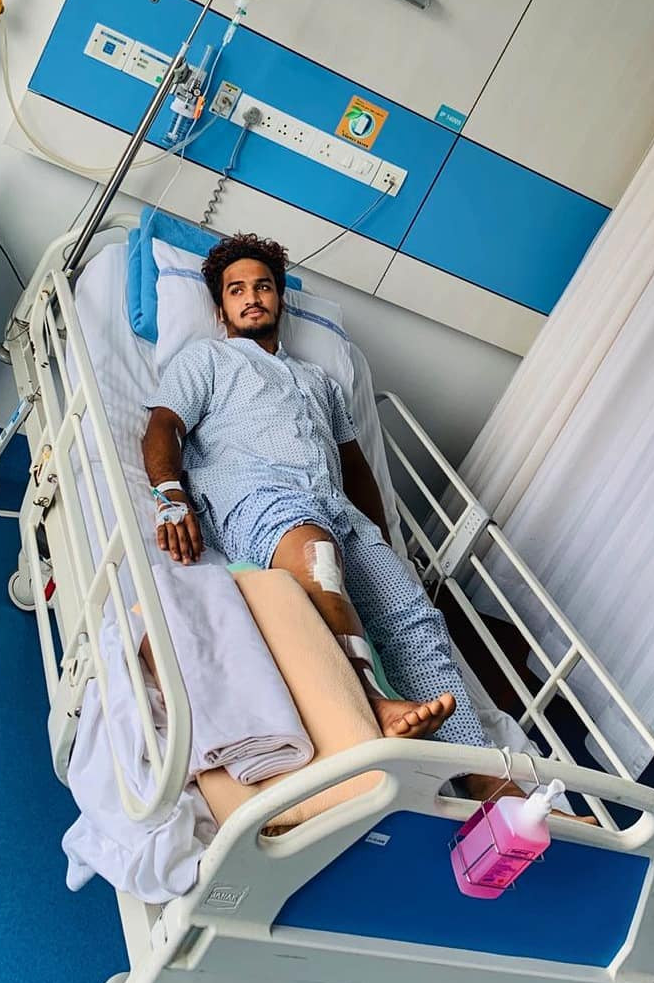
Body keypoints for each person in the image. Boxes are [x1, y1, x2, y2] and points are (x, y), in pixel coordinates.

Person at [142, 233, 507, 802]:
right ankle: (372, 701)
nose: (252, 297)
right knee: (317, 556)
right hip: (256, 494)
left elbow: (355, 466)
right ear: (220, 309)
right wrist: (171, 495)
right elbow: (163, 427)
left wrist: (382, 541)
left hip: (337, 509)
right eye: (237, 290)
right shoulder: (206, 360)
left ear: (279, 299)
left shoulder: (323, 384)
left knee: (414, 619)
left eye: (263, 286)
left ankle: (488, 780)